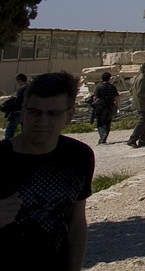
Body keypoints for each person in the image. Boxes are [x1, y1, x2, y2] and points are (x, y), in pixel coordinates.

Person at [0, 71, 95, 270]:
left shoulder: (79, 156)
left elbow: (77, 223)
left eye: (53, 114)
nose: (42, 122)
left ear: (69, 116)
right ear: (23, 111)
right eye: (34, 112)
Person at [126, 62, 145, 148]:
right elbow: (140, 92)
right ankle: (132, 139)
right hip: (143, 103)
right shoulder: (142, 79)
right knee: (142, 122)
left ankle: (143, 139)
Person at [89, 72, 119, 145]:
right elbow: (117, 98)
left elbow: (95, 97)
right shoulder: (112, 87)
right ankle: (104, 137)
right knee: (107, 122)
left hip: (101, 107)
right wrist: (117, 106)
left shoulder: (99, 87)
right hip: (110, 106)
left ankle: (102, 135)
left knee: (100, 123)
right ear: (110, 78)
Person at [2, 73, 28, 139]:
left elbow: (18, 101)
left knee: (10, 130)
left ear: (19, 80)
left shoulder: (22, 89)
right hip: (28, 112)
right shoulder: (31, 88)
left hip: (18, 112)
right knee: (25, 130)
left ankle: (8, 145)